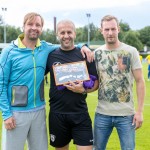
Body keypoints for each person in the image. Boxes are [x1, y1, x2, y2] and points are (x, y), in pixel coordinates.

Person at [0, 12, 92, 150]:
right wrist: (6, 115)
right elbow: (1, 83)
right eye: (30, 24)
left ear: (41, 28)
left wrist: (83, 45)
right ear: (23, 27)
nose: (34, 27)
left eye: (38, 25)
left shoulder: (46, 47)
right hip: (16, 113)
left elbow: (66, 43)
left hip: (39, 111)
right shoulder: (9, 51)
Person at [93, 15, 145, 150]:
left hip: (126, 115)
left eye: (113, 29)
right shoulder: (96, 54)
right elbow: (95, 82)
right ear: (101, 31)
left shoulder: (131, 51)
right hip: (102, 114)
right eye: (107, 29)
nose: (110, 33)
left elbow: (140, 81)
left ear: (118, 29)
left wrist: (139, 112)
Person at [46, 19, 99, 150]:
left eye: (69, 32)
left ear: (75, 34)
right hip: (57, 114)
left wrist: (83, 90)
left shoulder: (85, 55)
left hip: (80, 113)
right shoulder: (50, 56)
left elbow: (96, 83)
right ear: (57, 34)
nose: (66, 35)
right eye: (62, 32)